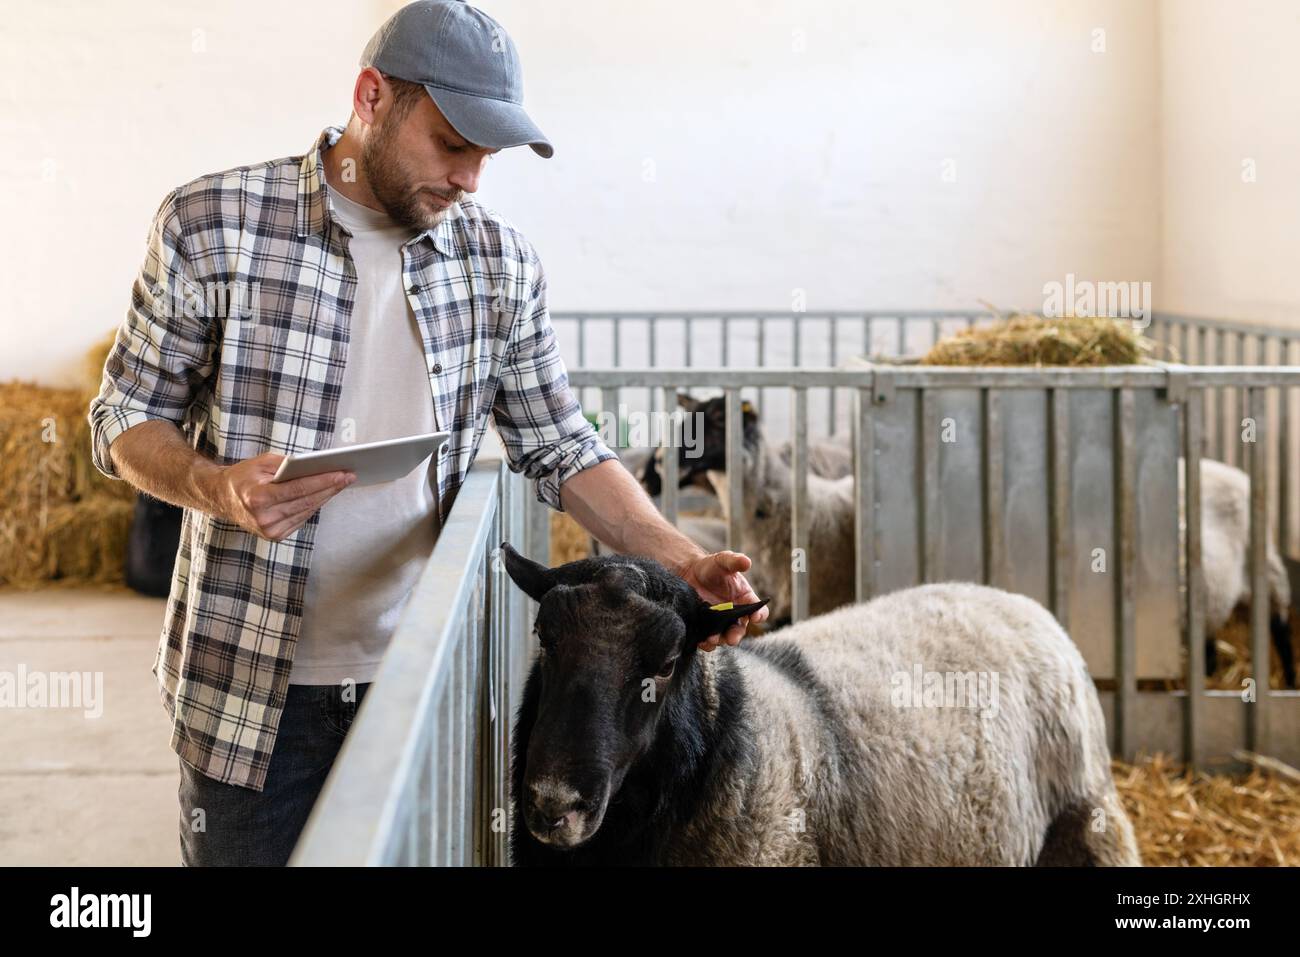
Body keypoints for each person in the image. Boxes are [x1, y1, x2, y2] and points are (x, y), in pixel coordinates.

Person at [88, 0, 767, 866]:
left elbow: (560, 443)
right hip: (250, 688)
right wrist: (217, 486)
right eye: (452, 144)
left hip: (422, 678)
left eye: (487, 156)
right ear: (372, 98)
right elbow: (124, 414)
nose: (471, 178)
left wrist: (680, 557)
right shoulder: (212, 225)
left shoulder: (501, 263)